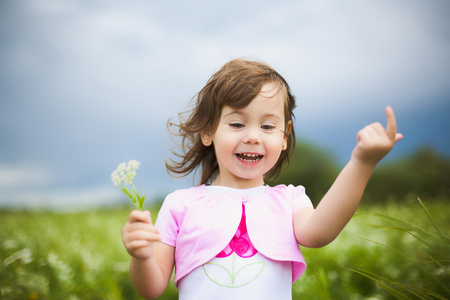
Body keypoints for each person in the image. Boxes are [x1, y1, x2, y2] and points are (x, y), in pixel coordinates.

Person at [122, 59, 403, 299]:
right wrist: (141, 256)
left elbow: (319, 233)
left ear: (284, 135)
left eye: (268, 126)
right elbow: (152, 288)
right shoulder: (180, 204)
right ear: (208, 131)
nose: (253, 136)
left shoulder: (289, 199)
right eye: (236, 124)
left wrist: (361, 163)